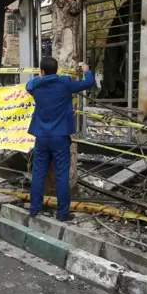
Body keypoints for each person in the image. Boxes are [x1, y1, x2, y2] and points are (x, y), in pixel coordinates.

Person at [25, 57, 95, 221]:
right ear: (56, 70)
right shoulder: (65, 83)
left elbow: (29, 85)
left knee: (38, 173)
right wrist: (86, 71)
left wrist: (42, 78)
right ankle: (62, 213)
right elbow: (88, 83)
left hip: (41, 137)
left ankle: (34, 209)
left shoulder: (35, 85)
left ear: (42, 71)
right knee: (62, 175)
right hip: (60, 137)